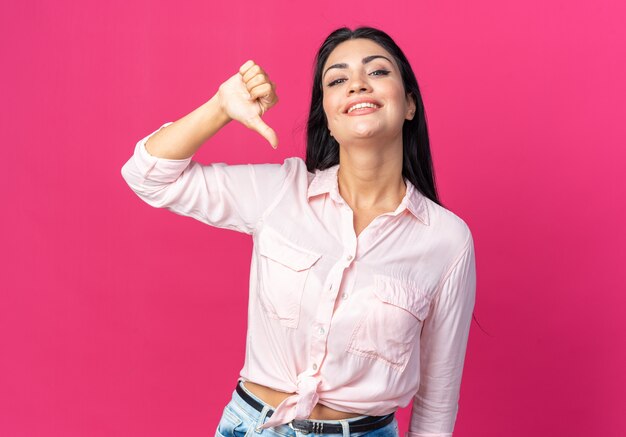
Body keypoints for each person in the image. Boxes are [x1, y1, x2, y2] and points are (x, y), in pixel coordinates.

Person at [121, 26, 476, 437]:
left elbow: (437, 400)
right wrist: (221, 106)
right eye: (338, 79)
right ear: (326, 116)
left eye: (377, 72)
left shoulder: (447, 240)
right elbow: (147, 176)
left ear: (410, 103)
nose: (357, 84)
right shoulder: (281, 192)